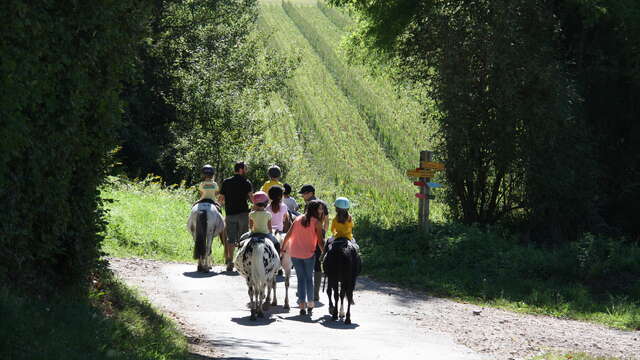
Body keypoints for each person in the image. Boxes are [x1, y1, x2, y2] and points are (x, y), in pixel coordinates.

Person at [280, 200, 325, 315]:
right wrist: (325, 253)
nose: (322, 211)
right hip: (308, 254)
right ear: (315, 210)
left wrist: (283, 250)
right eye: (320, 208)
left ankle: (301, 305)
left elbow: (288, 236)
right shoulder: (317, 223)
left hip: (294, 253)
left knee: (301, 279)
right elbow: (320, 241)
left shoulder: (298, 219)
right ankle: (310, 303)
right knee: (309, 279)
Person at [219, 161, 253, 271]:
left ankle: (229, 260)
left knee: (230, 239)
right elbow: (251, 198)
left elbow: (221, 199)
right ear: (241, 169)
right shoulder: (246, 182)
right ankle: (242, 261)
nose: (246, 171)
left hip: (230, 214)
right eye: (245, 169)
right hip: (243, 214)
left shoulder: (226, 182)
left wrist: (224, 205)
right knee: (243, 238)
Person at [298, 184, 329, 301]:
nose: (302, 196)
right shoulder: (323, 204)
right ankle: (315, 293)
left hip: (309, 237)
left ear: (311, 193)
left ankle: (306, 290)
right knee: (317, 265)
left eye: (304, 194)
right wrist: (323, 232)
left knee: (306, 261)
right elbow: (326, 220)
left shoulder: (310, 205)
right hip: (319, 235)